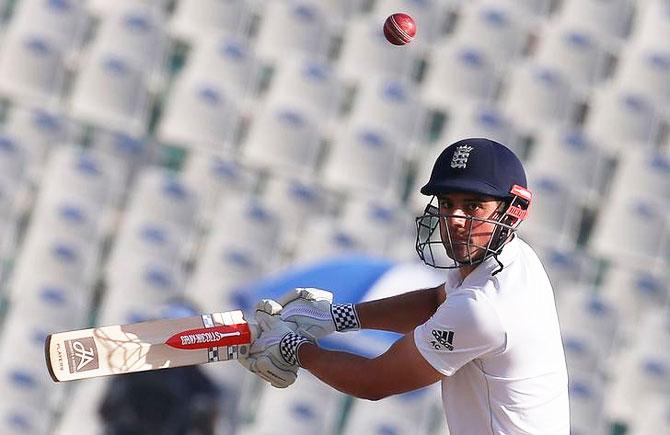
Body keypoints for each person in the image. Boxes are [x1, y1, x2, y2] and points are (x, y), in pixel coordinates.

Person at [239, 138, 570, 434]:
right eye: (446, 203)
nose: (454, 219)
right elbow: (435, 303)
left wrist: (295, 349)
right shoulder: (510, 259)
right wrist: (337, 317)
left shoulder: (484, 307)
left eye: (472, 206)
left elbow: (374, 381)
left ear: (512, 212)